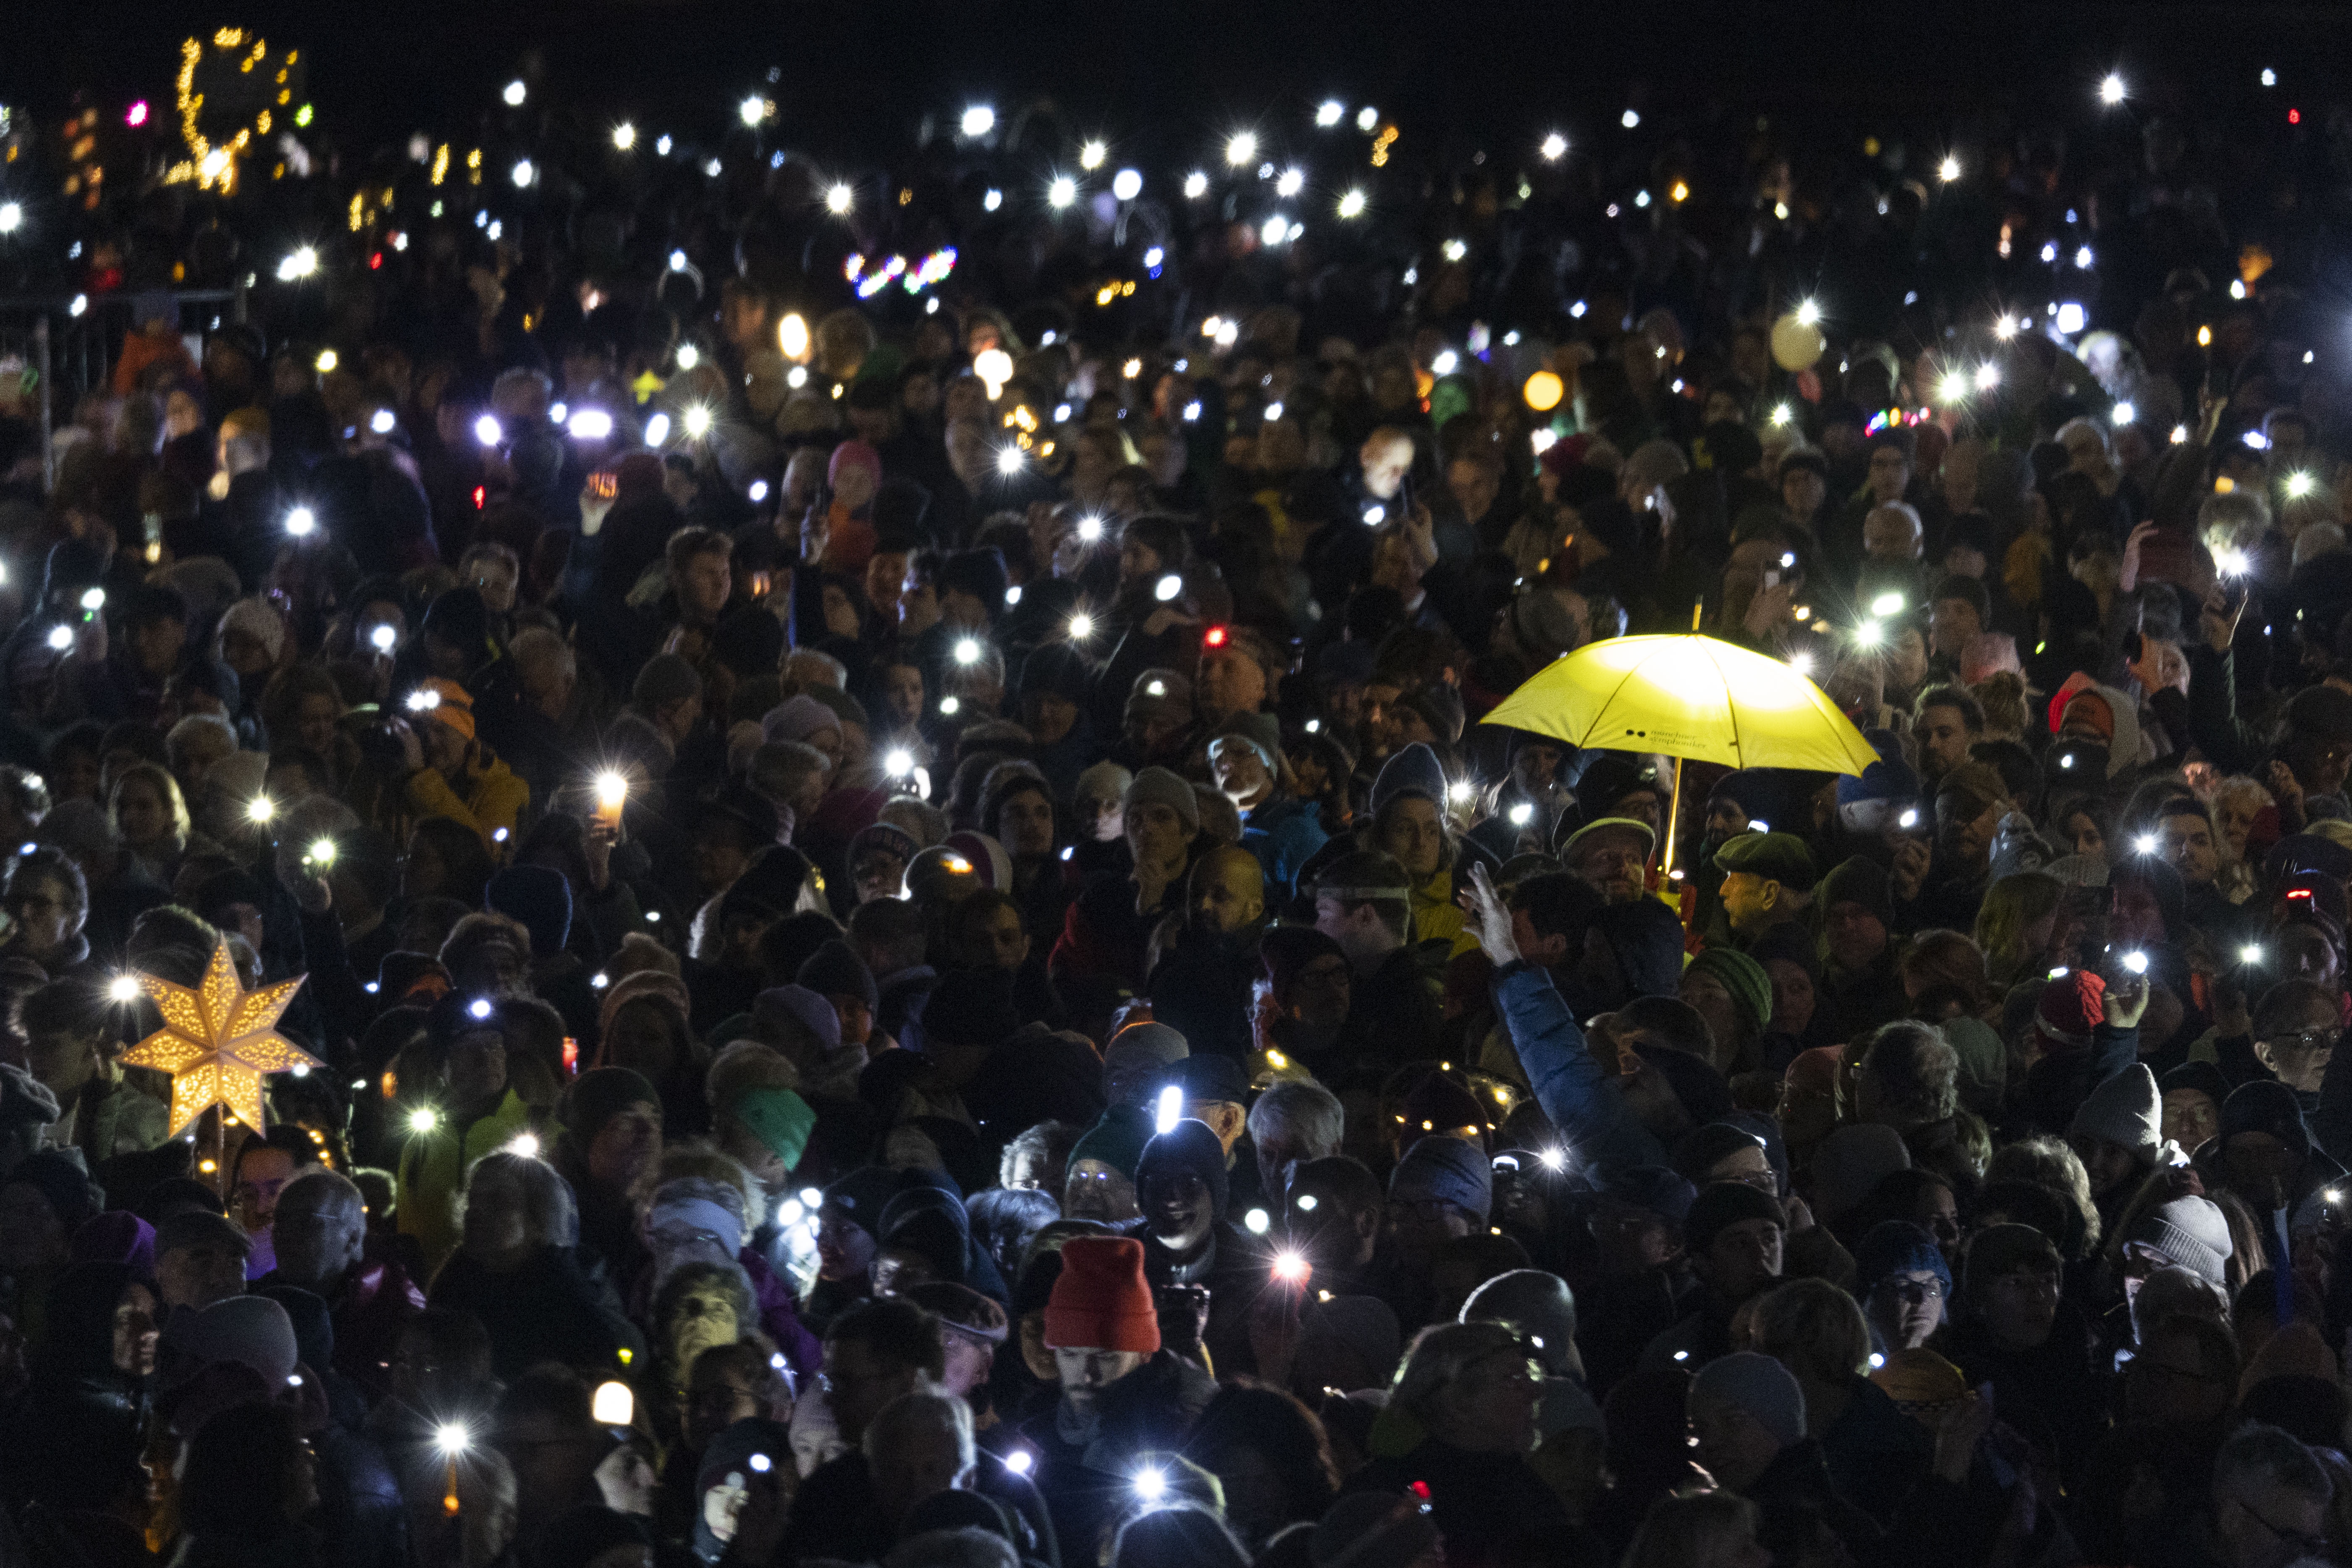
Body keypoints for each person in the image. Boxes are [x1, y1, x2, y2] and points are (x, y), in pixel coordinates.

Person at [1015, 1236, 1215, 1559]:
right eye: (1070, 1354)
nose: (1086, 1374)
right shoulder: (1034, 1435)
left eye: (1105, 1356)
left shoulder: (1190, 1430)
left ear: (1144, 1354)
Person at [1345, 1320, 1587, 1564]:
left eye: (1530, 1376)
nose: (1536, 1390)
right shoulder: (1384, 1499)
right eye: (1514, 1378)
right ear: (1457, 1402)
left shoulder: (1528, 1494)